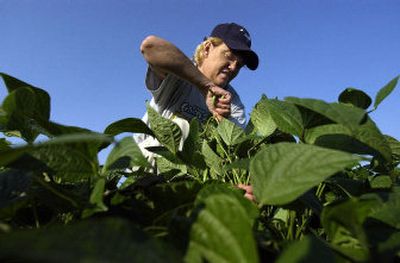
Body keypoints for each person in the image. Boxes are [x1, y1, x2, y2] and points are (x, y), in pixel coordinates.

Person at [136, 22, 259, 200]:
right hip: (145, 174)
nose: (233, 67)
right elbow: (149, 46)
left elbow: (232, 157)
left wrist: (222, 123)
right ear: (208, 48)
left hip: (192, 187)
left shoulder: (233, 103)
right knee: (182, 128)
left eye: (239, 65)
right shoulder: (180, 72)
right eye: (228, 56)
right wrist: (205, 86)